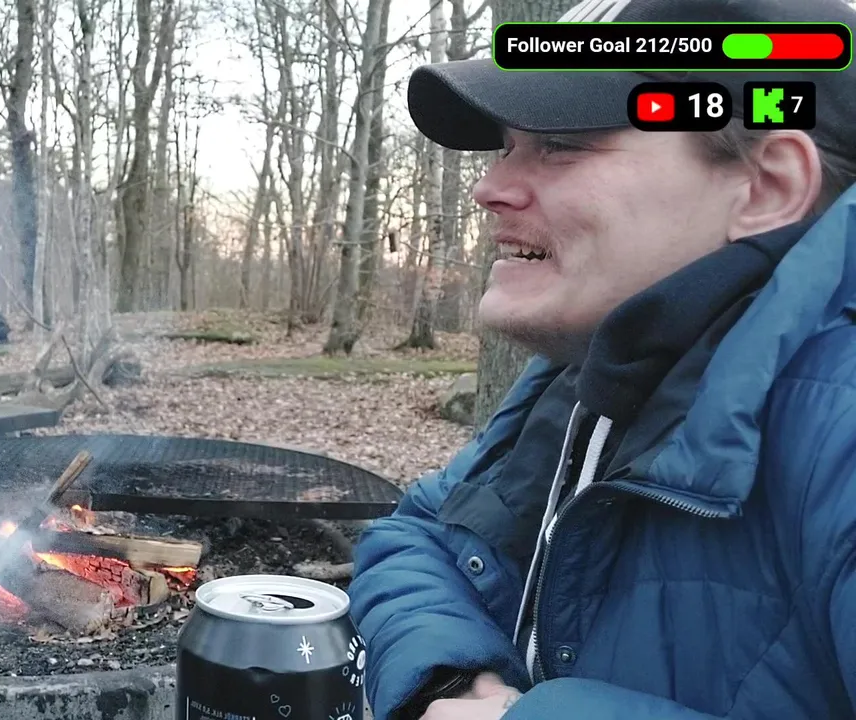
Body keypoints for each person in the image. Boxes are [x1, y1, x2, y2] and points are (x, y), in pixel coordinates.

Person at [346, 0, 856, 718]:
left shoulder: (838, 430)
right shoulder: (593, 377)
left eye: (560, 144)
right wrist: (452, 679)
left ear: (767, 187)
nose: (489, 188)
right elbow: (418, 534)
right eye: (506, 146)